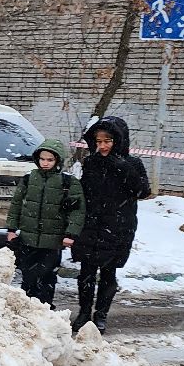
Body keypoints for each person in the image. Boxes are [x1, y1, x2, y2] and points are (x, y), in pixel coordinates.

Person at [73, 116, 152, 333]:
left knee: (108, 273)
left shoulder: (132, 164)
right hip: (91, 225)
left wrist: (122, 167)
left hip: (118, 227)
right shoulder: (91, 162)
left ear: (118, 140)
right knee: (86, 272)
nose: (102, 146)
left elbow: (143, 191)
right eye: (98, 141)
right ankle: (84, 313)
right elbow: (85, 191)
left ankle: (101, 315)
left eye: (107, 141)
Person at [4, 139, 84, 308]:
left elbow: (77, 211)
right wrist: (11, 229)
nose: (45, 163)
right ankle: (26, 306)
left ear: (57, 161)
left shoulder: (68, 183)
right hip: (28, 237)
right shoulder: (29, 179)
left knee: (47, 275)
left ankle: (44, 307)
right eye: (42, 159)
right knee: (28, 274)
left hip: (53, 240)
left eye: (50, 160)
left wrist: (70, 234)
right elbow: (16, 204)